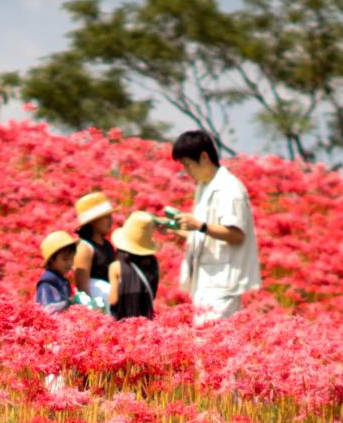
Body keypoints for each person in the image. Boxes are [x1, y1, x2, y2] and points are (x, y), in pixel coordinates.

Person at [169, 130, 259, 323]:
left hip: (222, 284)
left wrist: (199, 225)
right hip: (205, 280)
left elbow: (236, 234)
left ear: (204, 156)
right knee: (204, 341)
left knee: (211, 340)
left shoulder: (229, 188)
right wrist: (175, 229)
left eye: (188, 165)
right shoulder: (205, 186)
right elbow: (204, 233)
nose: (187, 171)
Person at [106, 211, 161, 320]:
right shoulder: (153, 263)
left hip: (123, 322)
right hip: (146, 321)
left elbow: (113, 300)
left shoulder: (116, 266)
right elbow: (153, 295)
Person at [71, 191, 116, 304]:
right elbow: (82, 288)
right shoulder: (85, 248)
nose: (111, 221)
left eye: (110, 216)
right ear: (93, 221)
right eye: (106, 217)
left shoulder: (107, 245)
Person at [35, 230, 80, 314]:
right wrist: (69, 303)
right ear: (52, 259)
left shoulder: (60, 278)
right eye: (65, 259)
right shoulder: (47, 282)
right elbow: (49, 310)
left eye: (72, 258)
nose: (69, 263)